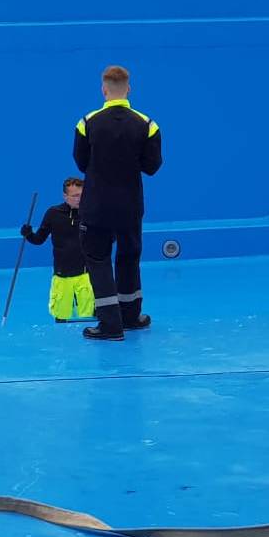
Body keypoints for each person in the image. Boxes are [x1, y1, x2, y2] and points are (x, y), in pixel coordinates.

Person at [72, 64, 163, 341]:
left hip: (97, 205)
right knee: (128, 257)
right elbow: (152, 166)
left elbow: (80, 162)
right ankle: (131, 316)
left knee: (98, 259)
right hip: (130, 205)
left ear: (103, 89)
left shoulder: (87, 122)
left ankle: (110, 325)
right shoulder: (147, 124)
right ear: (129, 89)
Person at [22, 177, 94, 322]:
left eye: (81, 195)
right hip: (62, 275)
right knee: (61, 318)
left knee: (88, 318)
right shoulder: (53, 213)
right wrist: (28, 234)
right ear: (65, 196)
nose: (79, 199)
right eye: (74, 196)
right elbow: (39, 240)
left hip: (86, 275)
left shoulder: (91, 212)